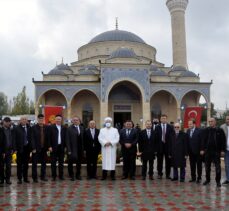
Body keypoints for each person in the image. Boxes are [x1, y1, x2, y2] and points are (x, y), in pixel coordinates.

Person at [201, 117, 226, 187]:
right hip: (208, 151)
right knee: (207, 167)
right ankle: (207, 180)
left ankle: (218, 181)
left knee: (218, 167)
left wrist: (222, 150)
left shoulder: (219, 130)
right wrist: (202, 149)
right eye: (209, 122)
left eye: (212, 121)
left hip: (216, 151)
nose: (210, 123)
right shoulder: (206, 130)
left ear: (215, 122)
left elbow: (223, 141)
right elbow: (203, 140)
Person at [48, 114, 66, 181]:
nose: (58, 120)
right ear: (55, 120)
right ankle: (54, 176)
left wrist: (65, 146)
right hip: (53, 147)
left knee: (61, 163)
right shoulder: (51, 127)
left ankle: (61, 176)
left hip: (61, 147)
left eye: (59, 119)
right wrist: (49, 146)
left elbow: (65, 138)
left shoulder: (64, 127)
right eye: (57, 119)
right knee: (53, 163)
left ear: (61, 120)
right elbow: (48, 138)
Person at [31, 114, 48, 183]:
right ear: (38, 119)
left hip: (44, 148)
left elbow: (48, 138)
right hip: (36, 149)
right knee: (34, 163)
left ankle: (42, 176)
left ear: (43, 119)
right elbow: (32, 139)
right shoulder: (33, 127)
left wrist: (48, 147)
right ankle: (34, 177)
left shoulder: (46, 127)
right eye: (40, 118)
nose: (41, 120)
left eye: (42, 118)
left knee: (44, 163)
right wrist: (33, 148)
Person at [14, 116, 31, 184]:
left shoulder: (29, 128)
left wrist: (32, 148)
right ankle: (19, 178)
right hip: (20, 149)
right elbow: (14, 139)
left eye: (25, 119)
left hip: (27, 148)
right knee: (19, 164)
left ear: (27, 121)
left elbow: (31, 138)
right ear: (20, 121)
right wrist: (15, 148)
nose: (24, 120)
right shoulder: (16, 128)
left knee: (26, 164)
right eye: (23, 119)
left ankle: (25, 178)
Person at [156, 114, 174, 179]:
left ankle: (168, 174)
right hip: (159, 147)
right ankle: (159, 174)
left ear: (166, 119)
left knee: (168, 161)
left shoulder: (170, 127)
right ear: (160, 119)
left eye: (164, 118)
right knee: (159, 161)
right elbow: (156, 138)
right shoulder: (157, 127)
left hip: (168, 147)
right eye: (162, 118)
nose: (163, 119)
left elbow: (172, 138)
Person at [66, 116, 83, 181]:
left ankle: (78, 175)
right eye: (74, 120)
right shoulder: (69, 129)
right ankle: (71, 175)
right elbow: (67, 140)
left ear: (79, 121)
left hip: (80, 149)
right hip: (72, 149)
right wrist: (69, 150)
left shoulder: (82, 128)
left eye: (77, 120)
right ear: (72, 121)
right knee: (70, 163)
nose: (76, 121)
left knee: (79, 163)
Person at [186, 119, 203, 183]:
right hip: (191, 152)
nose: (189, 125)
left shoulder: (199, 131)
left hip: (198, 151)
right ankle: (193, 178)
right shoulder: (187, 131)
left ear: (194, 124)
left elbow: (202, 141)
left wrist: (202, 149)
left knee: (199, 165)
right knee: (192, 165)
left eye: (190, 124)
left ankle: (199, 178)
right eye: (188, 124)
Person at [0, 117, 14, 185]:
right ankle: (1, 180)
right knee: (1, 166)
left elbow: (12, 140)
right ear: (4, 122)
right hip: (2, 152)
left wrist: (12, 149)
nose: (9, 123)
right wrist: (2, 152)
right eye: (7, 122)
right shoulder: (1, 130)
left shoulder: (10, 130)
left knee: (8, 166)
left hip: (9, 151)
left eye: (9, 122)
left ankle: (7, 179)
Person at [221, 116, 229, 185]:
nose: (228, 120)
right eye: (227, 119)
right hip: (226, 150)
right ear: (225, 120)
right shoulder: (222, 127)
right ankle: (228, 179)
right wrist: (221, 149)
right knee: (227, 165)